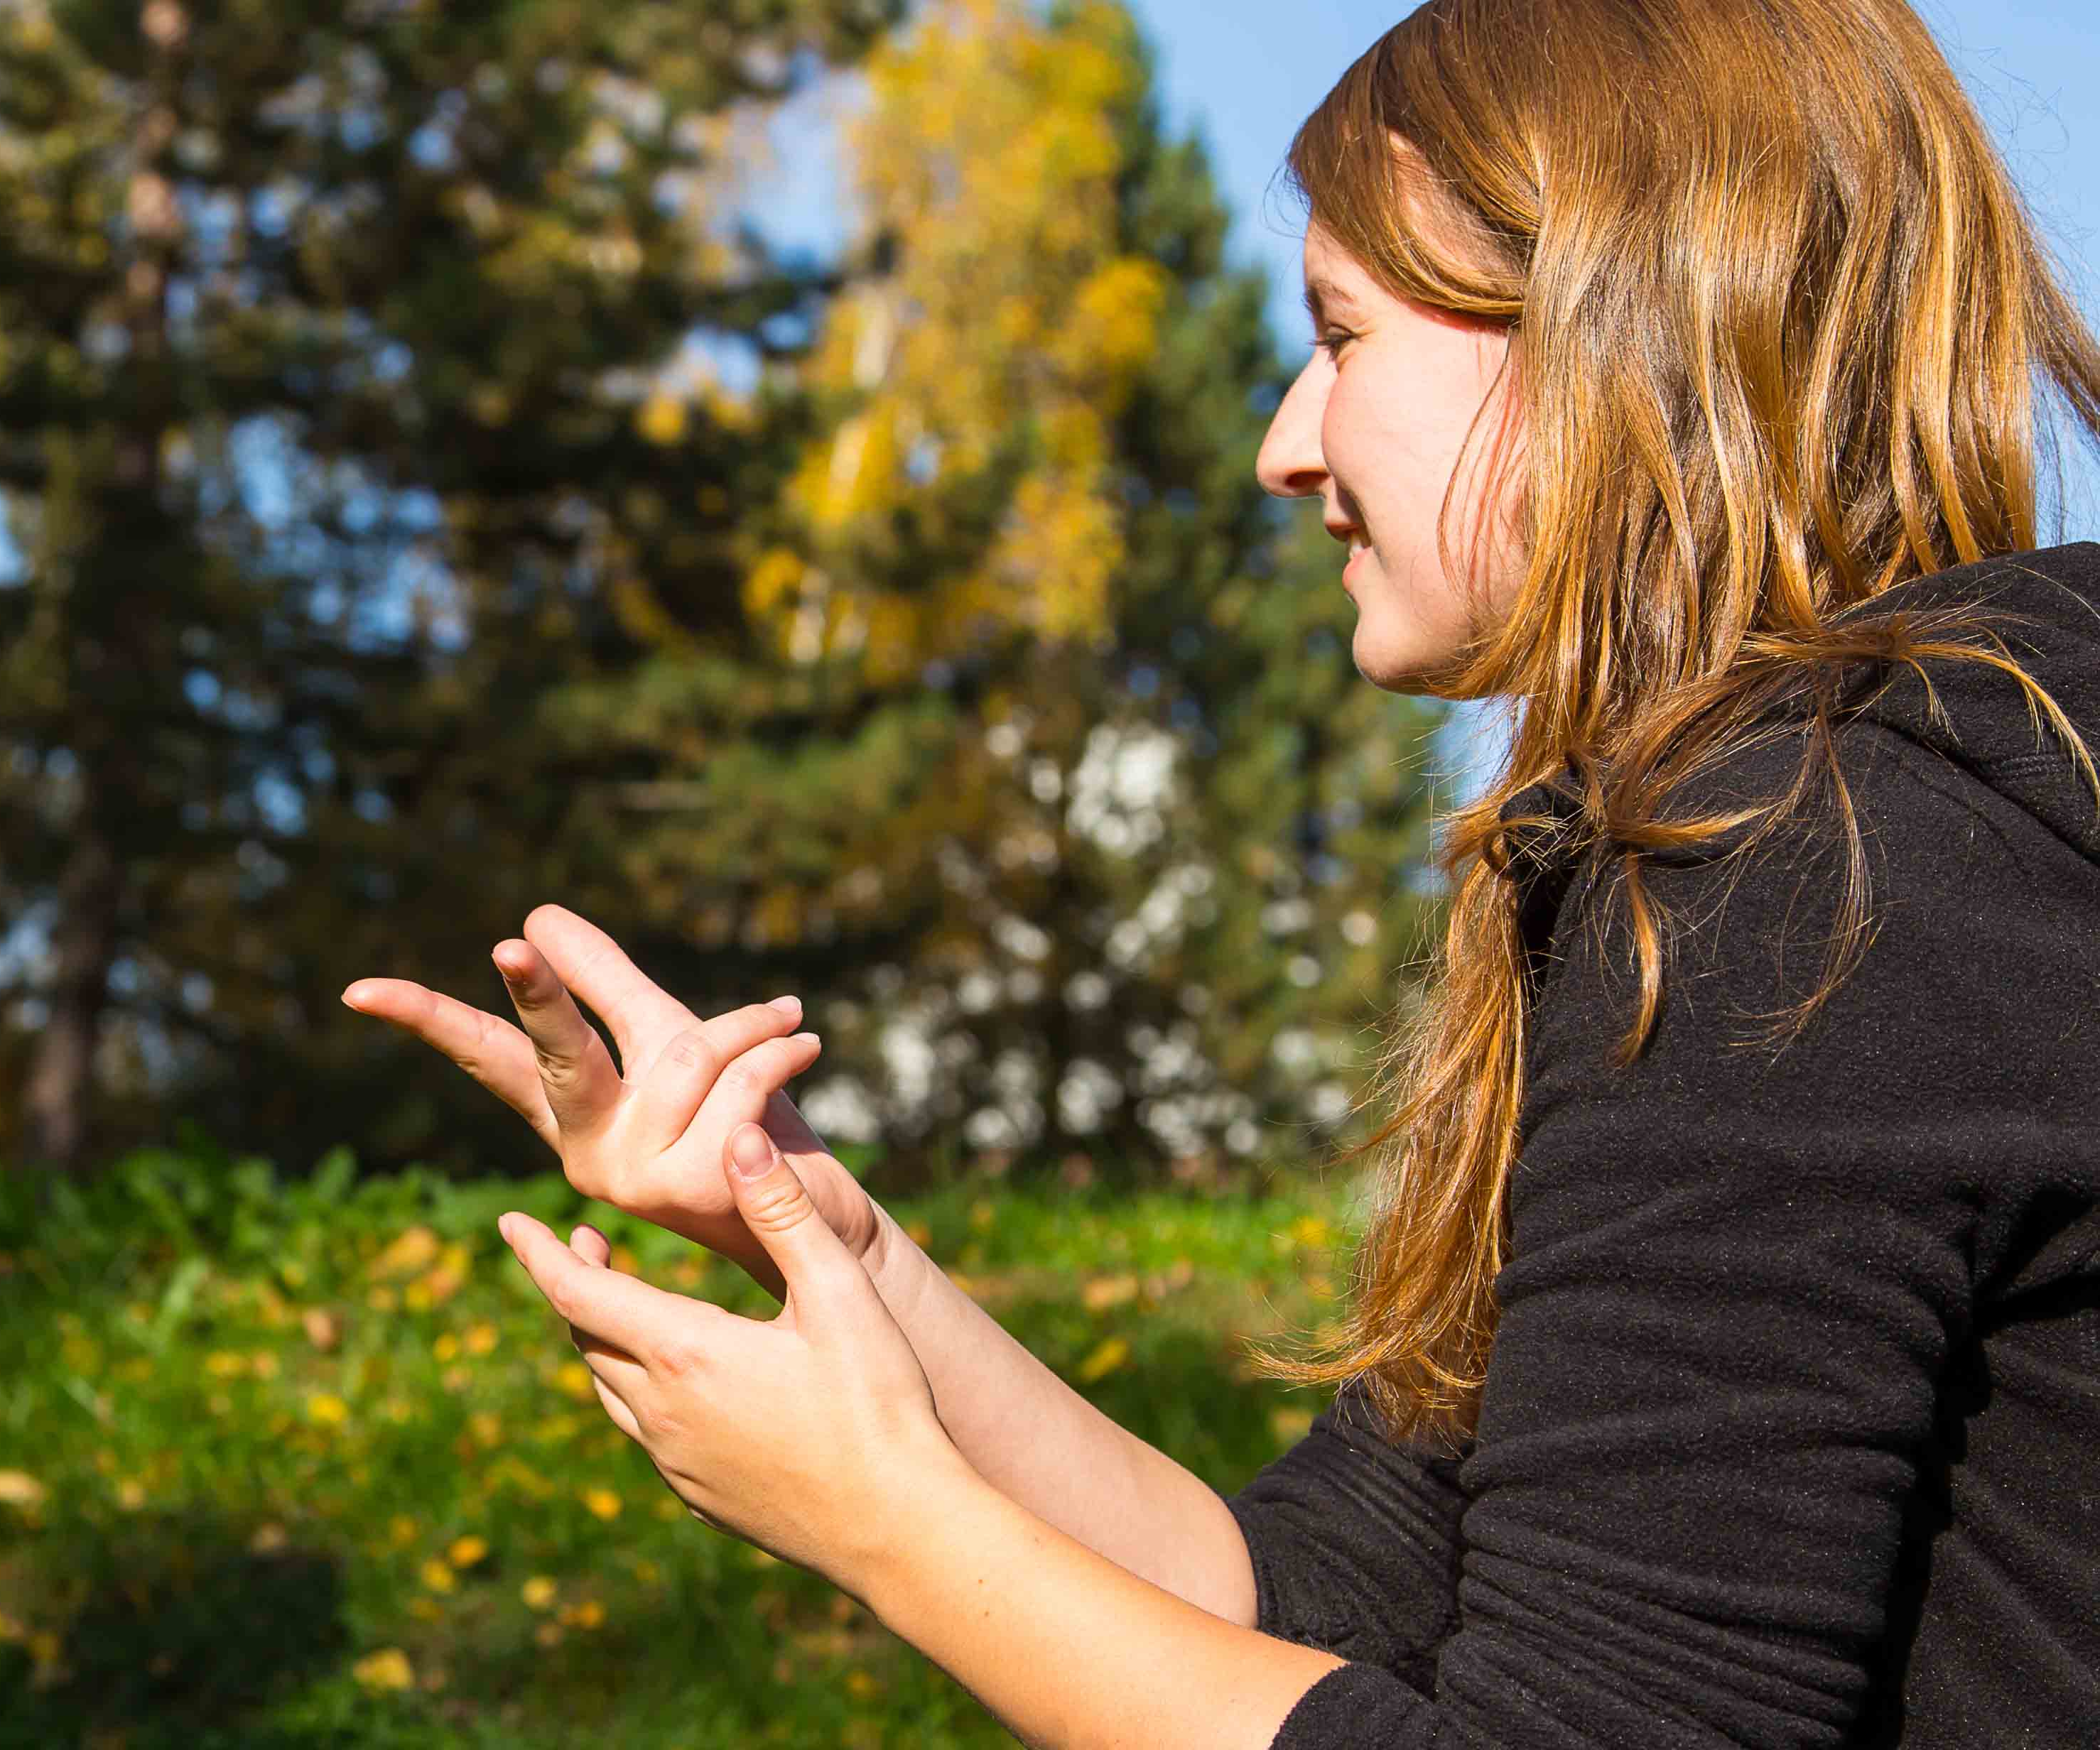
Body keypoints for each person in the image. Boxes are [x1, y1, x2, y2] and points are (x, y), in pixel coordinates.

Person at [347, 0, 2100, 1741]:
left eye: (1343, 335)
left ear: (1612, 325)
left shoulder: (1799, 889)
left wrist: (885, 1518)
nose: (1284, 443)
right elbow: (1317, 1599)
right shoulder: (1876, 840)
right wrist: (820, 1230)